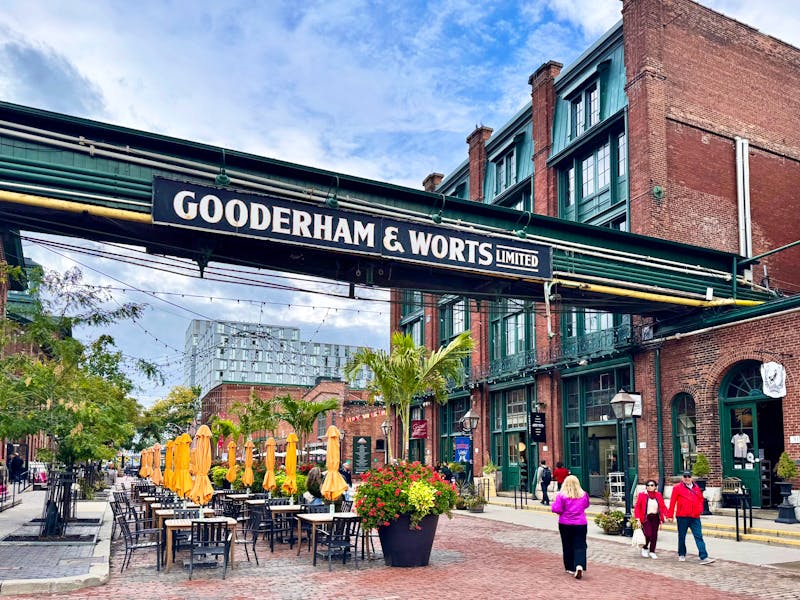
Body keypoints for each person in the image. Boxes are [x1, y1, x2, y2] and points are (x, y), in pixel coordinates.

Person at [667, 470, 716, 564]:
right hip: (682, 516)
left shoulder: (696, 487)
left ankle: (704, 556)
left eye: (688, 476)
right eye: (685, 477)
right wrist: (670, 515)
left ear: (691, 478)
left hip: (695, 516)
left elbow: (700, 499)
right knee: (682, 536)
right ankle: (681, 554)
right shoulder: (677, 488)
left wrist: (700, 510)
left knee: (699, 536)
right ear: (682, 478)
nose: (687, 478)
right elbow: (673, 501)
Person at [551, 475, 590, 579]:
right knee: (580, 545)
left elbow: (557, 509)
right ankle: (579, 565)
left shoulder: (561, 495)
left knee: (567, 544)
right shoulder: (583, 495)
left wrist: (554, 505)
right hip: (581, 523)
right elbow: (586, 505)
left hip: (565, 523)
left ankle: (570, 567)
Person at [634, 479, 668, 559]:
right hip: (646, 517)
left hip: (655, 517)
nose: (649, 487)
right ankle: (645, 548)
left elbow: (662, 506)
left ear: (655, 487)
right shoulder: (642, 495)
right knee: (648, 534)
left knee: (654, 535)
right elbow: (637, 507)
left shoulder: (658, 495)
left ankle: (652, 551)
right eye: (648, 485)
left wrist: (667, 515)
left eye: (652, 485)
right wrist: (638, 519)